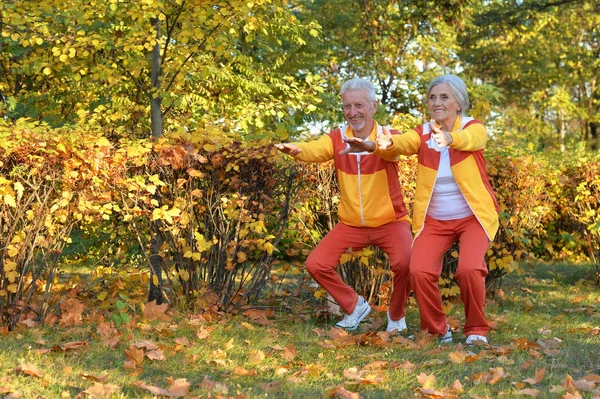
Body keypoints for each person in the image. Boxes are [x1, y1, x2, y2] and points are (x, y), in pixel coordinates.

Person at [342, 74, 499, 345]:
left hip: (473, 217)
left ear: (459, 103)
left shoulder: (473, 126)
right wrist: (373, 145)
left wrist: (450, 138)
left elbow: (474, 139)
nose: (437, 102)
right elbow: (400, 145)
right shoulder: (422, 132)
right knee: (419, 271)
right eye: (433, 97)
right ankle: (438, 329)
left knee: (469, 269)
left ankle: (476, 329)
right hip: (435, 220)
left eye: (444, 97)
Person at [274, 77, 413, 332]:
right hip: (351, 224)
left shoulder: (388, 136)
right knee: (316, 263)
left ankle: (397, 316)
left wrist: (375, 146)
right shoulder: (338, 138)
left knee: (406, 262)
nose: (353, 112)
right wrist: (297, 149)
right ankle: (354, 306)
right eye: (347, 107)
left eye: (359, 105)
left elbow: (395, 151)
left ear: (374, 106)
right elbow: (315, 149)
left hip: (390, 221)